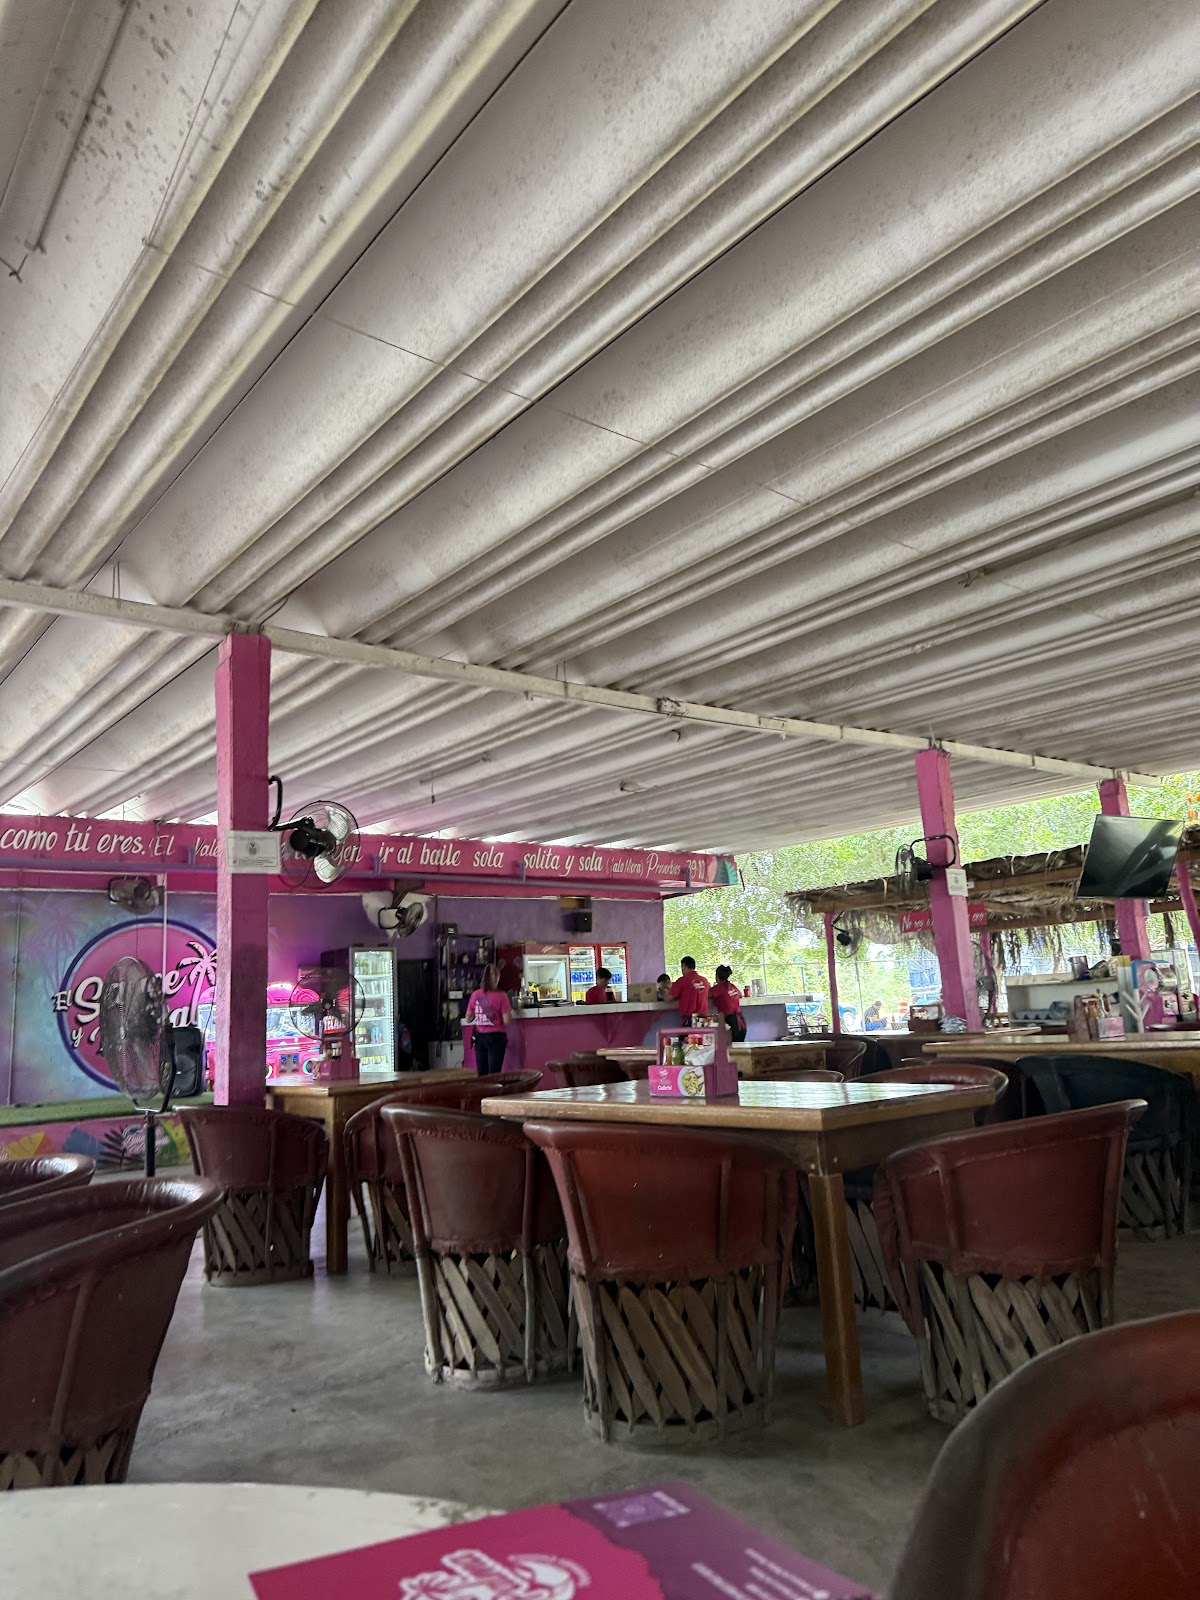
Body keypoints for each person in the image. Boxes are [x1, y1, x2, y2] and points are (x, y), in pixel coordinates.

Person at [464, 963, 511, 1075]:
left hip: (480, 1037)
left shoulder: (475, 995)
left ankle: (484, 1087)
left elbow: (468, 1019)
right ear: (497, 978)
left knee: (482, 1073)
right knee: (494, 1073)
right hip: (496, 1037)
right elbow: (507, 1020)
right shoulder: (502, 996)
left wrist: (480, 1011)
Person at [710, 965, 746, 1042]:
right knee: (738, 1046)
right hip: (741, 1022)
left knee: (728, 1047)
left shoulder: (717, 988)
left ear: (717, 976)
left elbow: (704, 996)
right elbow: (740, 995)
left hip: (731, 1023)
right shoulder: (732, 986)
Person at [669, 956, 711, 1023]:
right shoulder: (704, 981)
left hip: (689, 1020)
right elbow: (709, 995)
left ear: (683, 966)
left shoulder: (682, 981)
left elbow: (669, 998)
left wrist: (663, 990)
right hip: (704, 1020)